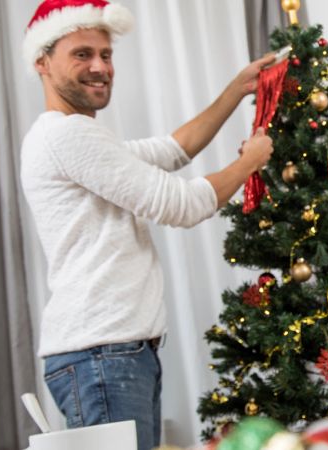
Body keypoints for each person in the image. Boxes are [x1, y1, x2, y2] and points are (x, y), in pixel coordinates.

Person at [19, 1, 274, 448]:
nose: (100, 66)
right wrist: (249, 163)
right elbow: (180, 204)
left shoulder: (77, 136)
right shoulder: (67, 135)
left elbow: (174, 149)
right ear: (42, 61)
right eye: (82, 54)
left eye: (106, 54)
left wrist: (236, 90)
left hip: (112, 354)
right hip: (103, 355)